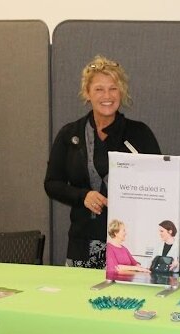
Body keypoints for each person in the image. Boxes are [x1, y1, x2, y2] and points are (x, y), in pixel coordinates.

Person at [44, 55, 161, 268]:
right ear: (87, 94)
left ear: (122, 92)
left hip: (131, 244)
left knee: (128, 301)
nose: (107, 96)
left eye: (113, 88)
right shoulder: (70, 134)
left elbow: (158, 185)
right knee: (80, 301)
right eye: (99, 89)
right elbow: (51, 184)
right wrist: (82, 196)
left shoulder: (140, 134)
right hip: (83, 243)